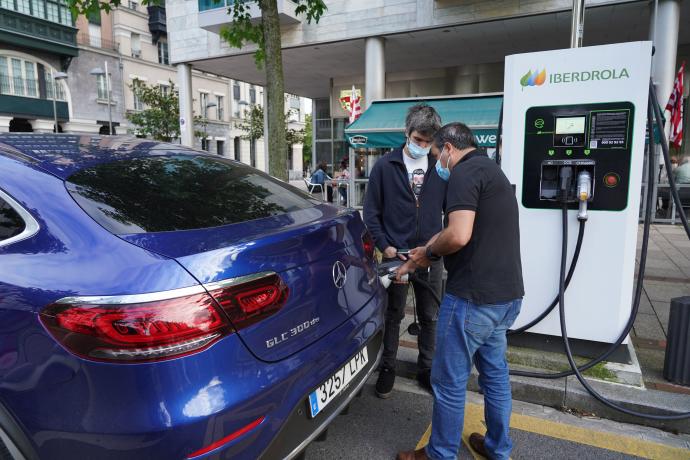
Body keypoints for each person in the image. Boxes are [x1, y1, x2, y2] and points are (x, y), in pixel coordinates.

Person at [395, 122, 524, 460]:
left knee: (449, 381)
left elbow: (459, 234)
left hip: (472, 298)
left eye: (436, 154)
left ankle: (439, 454)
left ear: (449, 149)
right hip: (506, 296)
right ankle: (498, 449)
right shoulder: (491, 170)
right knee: (495, 375)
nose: (436, 162)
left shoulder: (464, 174)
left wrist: (429, 253)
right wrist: (427, 249)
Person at [363, 103, 447, 398]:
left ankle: (427, 369)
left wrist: (436, 246)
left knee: (429, 316)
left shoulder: (441, 168)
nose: (422, 146)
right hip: (394, 256)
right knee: (393, 315)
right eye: (418, 139)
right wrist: (384, 246)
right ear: (406, 133)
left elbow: (451, 212)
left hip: (430, 255)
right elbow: (371, 213)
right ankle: (387, 368)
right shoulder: (385, 167)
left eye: (428, 141)